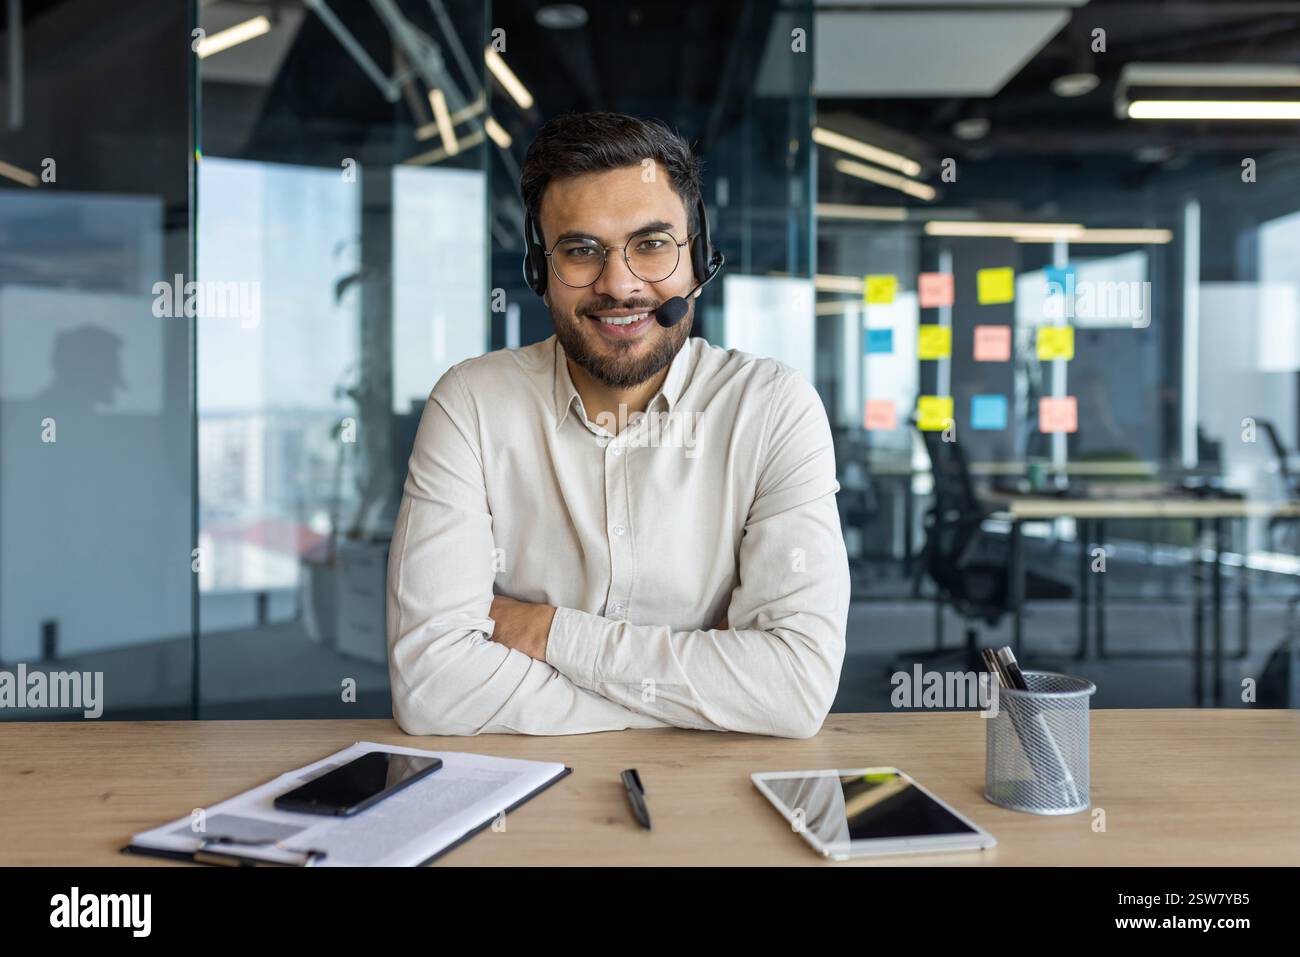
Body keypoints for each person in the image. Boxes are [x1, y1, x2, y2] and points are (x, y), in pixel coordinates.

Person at [386, 111, 849, 737]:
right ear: (538, 270)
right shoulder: (471, 403)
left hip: (710, 801)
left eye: (652, 245)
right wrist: (700, 694)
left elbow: (793, 689)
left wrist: (544, 630)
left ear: (698, 258)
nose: (620, 284)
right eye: (580, 251)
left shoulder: (773, 410)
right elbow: (432, 689)